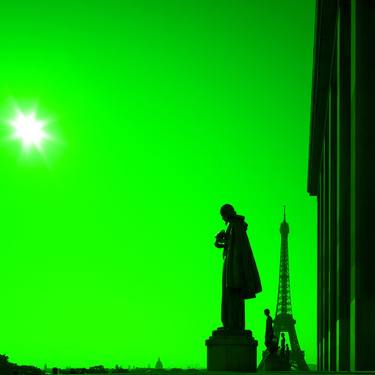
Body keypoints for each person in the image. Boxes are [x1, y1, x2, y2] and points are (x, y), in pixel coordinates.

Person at [214, 204, 262, 331]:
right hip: (233, 266)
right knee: (232, 297)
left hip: (233, 268)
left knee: (232, 296)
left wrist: (235, 272)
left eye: (222, 216)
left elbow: (236, 250)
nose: (222, 219)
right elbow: (233, 246)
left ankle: (232, 325)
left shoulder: (234, 225)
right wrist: (219, 241)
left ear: (226, 214)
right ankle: (233, 324)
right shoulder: (235, 225)